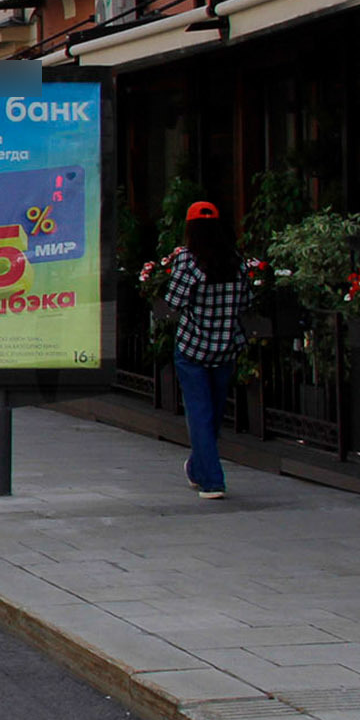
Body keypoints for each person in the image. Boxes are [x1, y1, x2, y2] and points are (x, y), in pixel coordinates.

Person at [165, 200, 250, 500]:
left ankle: (212, 480)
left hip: (193, 348)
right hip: (226, 347)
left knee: (199, 414)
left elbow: (173, 301)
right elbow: (245, 303)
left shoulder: (188, 260)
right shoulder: (236, 261)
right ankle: (199, 469)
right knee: (213, 414)